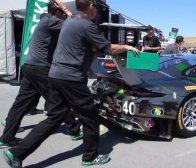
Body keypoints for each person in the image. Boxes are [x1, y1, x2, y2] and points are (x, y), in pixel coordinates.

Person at [3, 0, 140, 167]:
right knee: (90, 117)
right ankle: (90, 157)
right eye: (95, 6)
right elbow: (109, 48)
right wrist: (127, 46)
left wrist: (65, 8)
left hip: (55, 75)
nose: (97, 10)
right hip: (72, 78)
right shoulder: (87, 26)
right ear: (90, 6)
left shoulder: (70, 21)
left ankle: (16, 153)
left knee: (54, 118)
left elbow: (75, 22)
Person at [0, 0, 83, 150]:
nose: (65, 16)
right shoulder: (51, 21)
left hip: (30, 66)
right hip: (40, 68)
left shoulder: (45, 20)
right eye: (63, 13)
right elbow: (77, 24)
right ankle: (75, 129)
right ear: (58, 12)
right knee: (58, 100)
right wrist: (67, 10)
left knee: (21, 103)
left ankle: (6, 138)